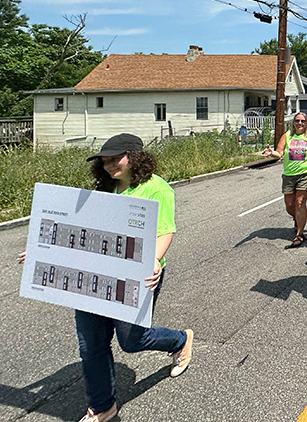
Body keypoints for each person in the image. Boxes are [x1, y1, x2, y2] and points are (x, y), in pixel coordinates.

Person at [18, 133, 193, 422]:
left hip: (138, 277)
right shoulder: (103, 191)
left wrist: (153, 261)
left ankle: (179, 340)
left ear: (135, 156)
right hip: (94, 277)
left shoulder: (156, 188)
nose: (110, 165)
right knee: (91, 345)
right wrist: (41, 251)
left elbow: (165, 230)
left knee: (132, 341)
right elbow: (79, 231)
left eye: (116, 159)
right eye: (105, 161)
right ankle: (102, 407)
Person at [267, 112, 307, 248]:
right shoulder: (287, 137)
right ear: (293, 122)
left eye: (303, 121)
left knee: (299, 202)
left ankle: (299, 234)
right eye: (297, 120)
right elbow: (278, 153)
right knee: (289, 205)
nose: (300, 123)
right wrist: (270, 153)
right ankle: (298, 219)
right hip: (289, 175)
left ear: (306, 123)